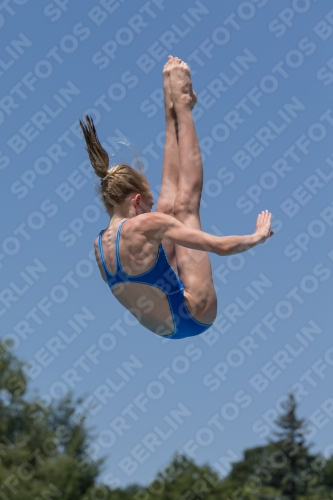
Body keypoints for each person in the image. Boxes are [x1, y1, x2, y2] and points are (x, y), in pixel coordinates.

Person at [79, 56, 273, 340]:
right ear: (135, 201)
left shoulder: (99, 245)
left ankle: (172, 104)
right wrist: (257, 236)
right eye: (148, 202)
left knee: (171, 209)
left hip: (168, 325)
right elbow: (219, 247)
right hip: (197, 312)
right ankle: (182, 107)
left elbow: (146, 272)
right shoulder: (145, 226)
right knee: (185, 206)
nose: (154, 205)